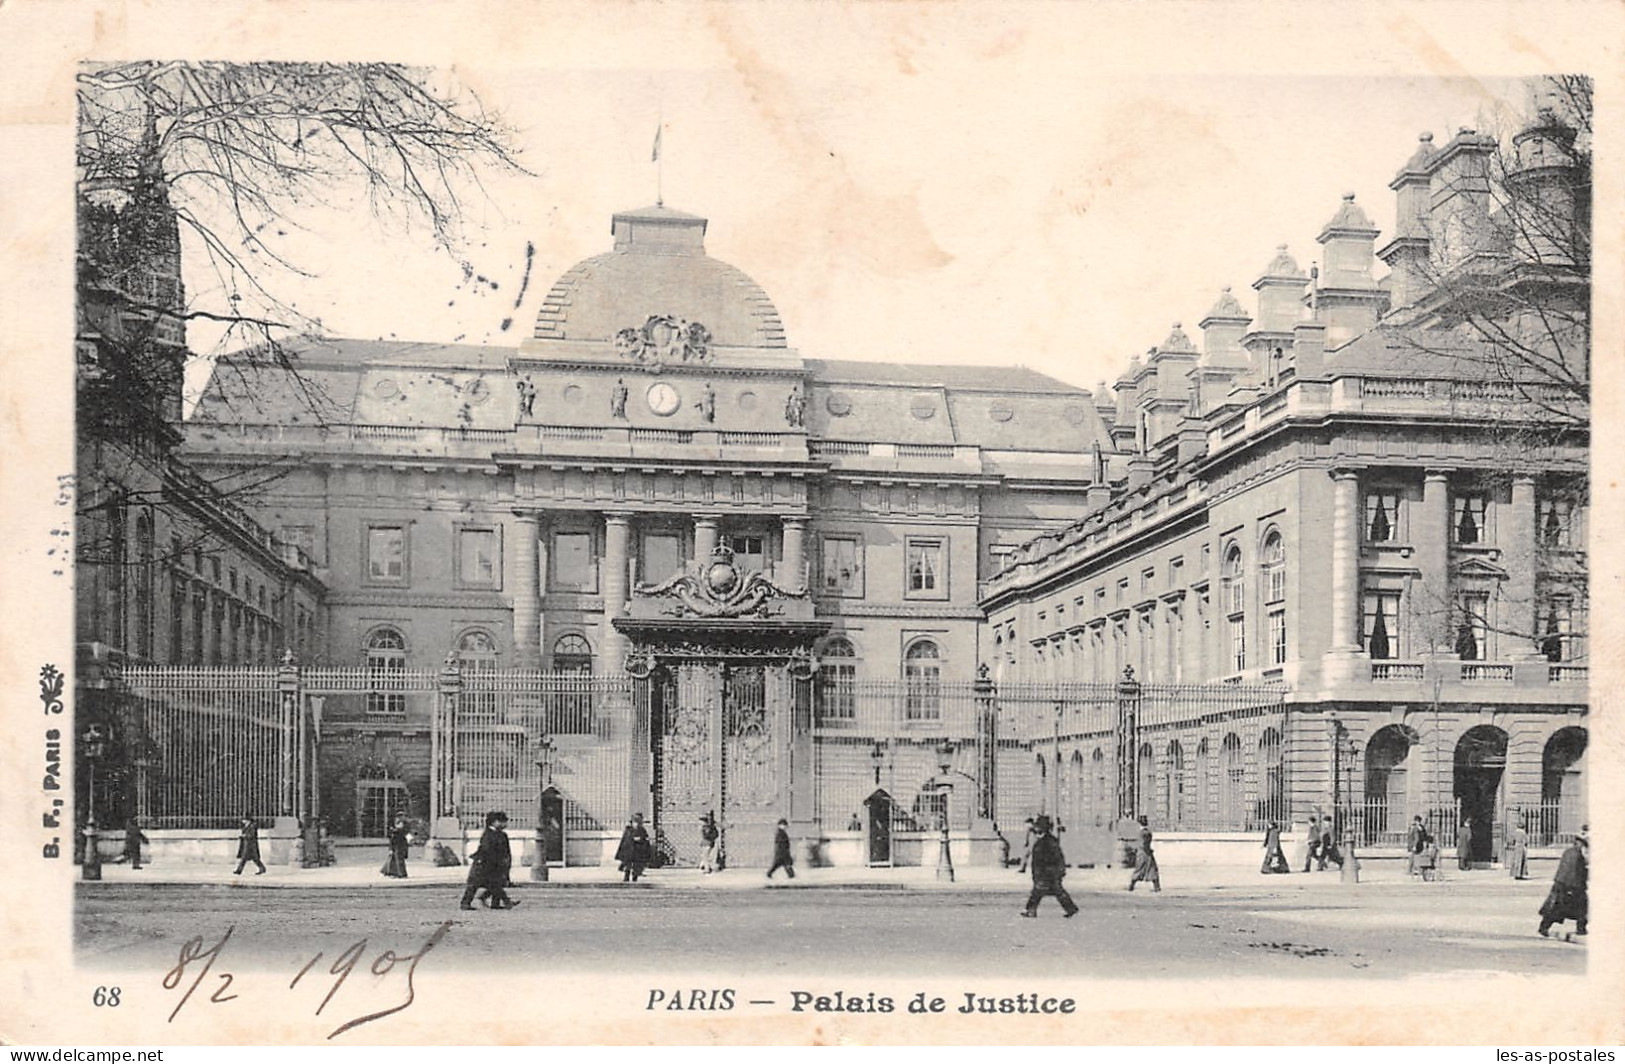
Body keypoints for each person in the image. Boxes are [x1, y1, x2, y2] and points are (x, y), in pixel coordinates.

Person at [1020, 815, 1077, 918]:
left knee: (1038, 891)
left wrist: (1058, 870)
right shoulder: (1046, 840)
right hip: (1046, 872)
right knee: (1055, 891)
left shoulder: (1048, 841)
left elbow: (1056, 857)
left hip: (1048, 872)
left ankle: (1030, 910)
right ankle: (1071, 908)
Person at [460, 811, 518, 911]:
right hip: (484, 863)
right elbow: (486, 850)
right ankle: (465, 903)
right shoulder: (488, 834)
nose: (505, 824)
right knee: (474, 884)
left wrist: (505, 863)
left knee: (496, 883)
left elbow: (506, 851)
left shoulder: (503, 835)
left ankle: (497, 903)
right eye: (502, 822)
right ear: (494, 822)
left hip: (496, 864)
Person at [1537, 829, 1588, 939]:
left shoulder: (1568, 852)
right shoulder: (1578, 855)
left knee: (1556, 908)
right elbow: (1578, 871)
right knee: (1581, 907)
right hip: (1572, 886)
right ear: (1580, 843)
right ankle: (1581, 929)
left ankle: (1544, 926)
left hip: (1561, 884)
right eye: (1583, 844)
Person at [1127, 814, 1160, 892]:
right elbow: (1144, 843)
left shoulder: (1141, 832)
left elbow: (1141, 843)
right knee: (1151, 869)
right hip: (1146, 853)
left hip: (1142, 853)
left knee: (1141, 869)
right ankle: (1156, 887)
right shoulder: (1146, 832)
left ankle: (1131, 886)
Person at [616, 812, 652, 882]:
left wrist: (640, 839)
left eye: (637, 822)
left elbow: (645, 839)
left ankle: (635, 877)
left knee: (636, 866)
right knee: (628, 865)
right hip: (629, 851)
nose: (636, 824)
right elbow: (625, 840)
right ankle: (626, 877)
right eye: (634, 822)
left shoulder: (642, 830)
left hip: (638, 851)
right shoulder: (628, 830)